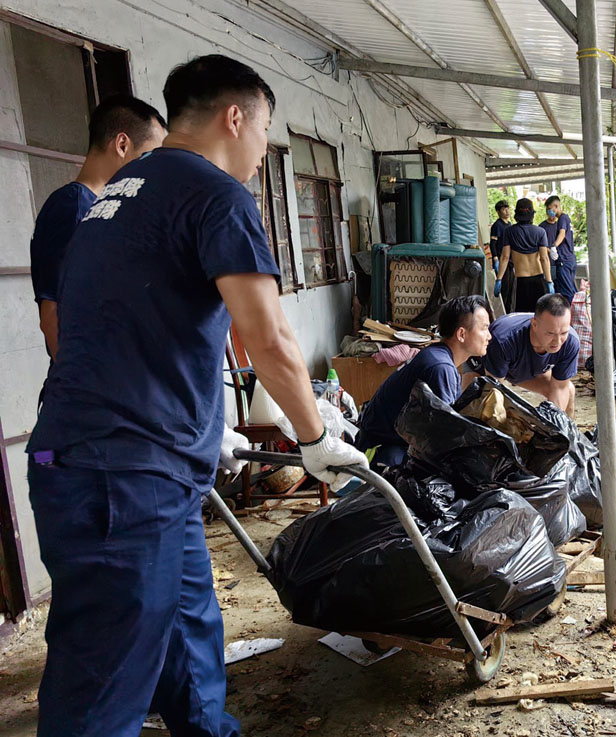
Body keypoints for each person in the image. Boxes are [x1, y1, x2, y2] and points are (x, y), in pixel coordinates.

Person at [25, 54, 367, 737]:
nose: (263, 147)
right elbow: (266, 336)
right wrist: (313, 435)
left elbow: (115, 328)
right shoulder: (216, 195)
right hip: (124, 478)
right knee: (104, 684)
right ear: (233, 117)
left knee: (186, 631)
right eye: (264, 128)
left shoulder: (117, 195)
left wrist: (201, 424)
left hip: (127, 465)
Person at [30, 95, 167, 362]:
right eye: (148, 156)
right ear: (122, 144)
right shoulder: (74, 206)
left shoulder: (104, 206)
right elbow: (53, 315)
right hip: (90, 392)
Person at [357, 295, 493, 468]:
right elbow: (448, 435)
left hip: (386, 445)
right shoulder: (440, 366)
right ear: (461, 334)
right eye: (484, 329)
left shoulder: (438, 356)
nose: (489, 336)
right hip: (382, 454)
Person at [470, 294, 578, 416]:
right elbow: (494, 390)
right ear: (534, 324)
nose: (558, 341)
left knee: (568, 391)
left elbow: (559, 388)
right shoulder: (504, 339)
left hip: (523, 367)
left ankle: (567, 433)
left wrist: (554, 426)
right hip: (484, 363)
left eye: (563, 333)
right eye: (550, 333)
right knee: (475, 402)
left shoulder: (571, 342)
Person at [493, 198, 553, 312]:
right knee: (540, 315)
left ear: (517, 214)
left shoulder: (509, 232)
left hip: (521, 281)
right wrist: (549, 282)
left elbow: (505, 257)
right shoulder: (540, 232)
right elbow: (544, 258)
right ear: (531, 214)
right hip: (539, 279)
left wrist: (499, 279)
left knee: (522, 317)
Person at [539, 195, 577, 301]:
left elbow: (562, 233)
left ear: (556, 206)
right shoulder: (564, 219)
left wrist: (554, 246)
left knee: (566, 292)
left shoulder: (562, 219)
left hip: (564, 260)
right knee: (571, 289)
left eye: (550, 208)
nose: (549, 211)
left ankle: (568, 315)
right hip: (569, 259)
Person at [489, 199, 514, 311]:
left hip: (511, 261)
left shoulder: (510, 225)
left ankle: (509, 310)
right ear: (498, 212)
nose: (507, 211)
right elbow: (493, 243)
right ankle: (503, 311)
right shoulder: (497, 225)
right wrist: (495, 258)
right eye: (504, 209)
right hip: (502, 259)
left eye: (507, 208)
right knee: (504, 288)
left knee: (511, 289)